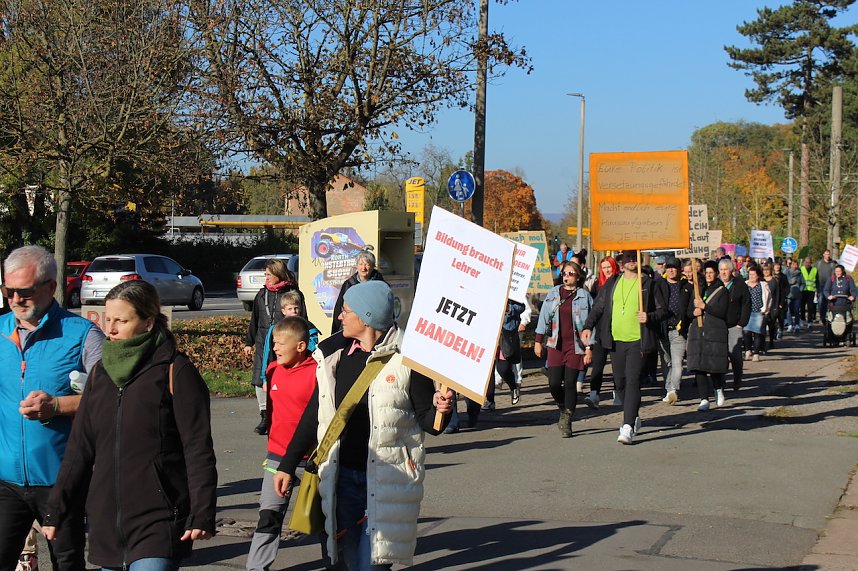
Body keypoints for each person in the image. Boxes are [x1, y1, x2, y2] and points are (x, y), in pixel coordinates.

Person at [273, 281, 454, 570]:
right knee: (342, 562)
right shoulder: (333, 357)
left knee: (372, 564)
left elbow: (429, 423)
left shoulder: (408, 358)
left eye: (345, 311)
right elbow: (315, 414)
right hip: (341, 479)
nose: (340, 317)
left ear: (366, 317)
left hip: (386, 482)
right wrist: (287, 464)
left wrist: (442, 406)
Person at [42, 280, 217, 571]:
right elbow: (79, 448)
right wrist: (56, 509)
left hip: (158, 519)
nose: (109, 329)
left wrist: (202, 512)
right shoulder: (100, 372)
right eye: (108, 319)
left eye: (121, 321)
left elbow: (197, 447)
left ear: (148, 322)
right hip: (106, 521)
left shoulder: (175, 369)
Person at [0, 245, 105, 571]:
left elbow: (111, 398)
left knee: (67, 562)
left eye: (25, 292)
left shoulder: (82, 335)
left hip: (61, 478)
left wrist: (58, 405)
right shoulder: (1, 331)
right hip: (6, 481)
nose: (16, 300)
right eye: (8, 291)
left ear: (51, 287)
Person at [246, 317, 318, 571]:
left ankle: (337, 563)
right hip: (277, 457)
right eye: (274, 343)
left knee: (326, 520)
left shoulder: (318, 373)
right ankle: (256, 567)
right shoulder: (272, 370)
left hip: (313, 461)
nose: (275, 348)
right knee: (268, 516)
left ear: (300, 346)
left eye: (280, 344)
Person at [580, 250, 665, 445]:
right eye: (628, 258)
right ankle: (633, 415)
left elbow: (663, 310)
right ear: (621, 262)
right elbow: (599, 307)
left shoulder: (648, 284)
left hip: (638, 341)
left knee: (633, 380)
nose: (632, 261)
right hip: (615, 341)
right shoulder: (612, 283)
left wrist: (649, 316)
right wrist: (588, 326)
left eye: (635, 258)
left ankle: (627, 426)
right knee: (621, 382)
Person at [245, 258, 303, 435]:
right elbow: (254, 319)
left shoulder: (293, 293)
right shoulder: (262, 294)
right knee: (260, 378)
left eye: (269, 274)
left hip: (284, 341)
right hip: (264, 341)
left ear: (278, 274)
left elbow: (302, 320)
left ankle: (281, 414)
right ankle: (264, 416)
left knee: (282, 377)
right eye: (265, 275)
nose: (267, 278)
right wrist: (249, 342)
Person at [534, 261, 593, 438]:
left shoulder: (584, 296)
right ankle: (563, 406)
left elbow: (591, 324)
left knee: (569, 384)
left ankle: (567, 418)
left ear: (578, 276)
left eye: (571, 274)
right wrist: (538, 340)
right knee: (553, 383)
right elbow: (543, 317)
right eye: (564, 273)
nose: (567, 277)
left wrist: (589, 348)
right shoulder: (553, 294)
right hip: (555, 344)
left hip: (576, 346)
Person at [686, 261, 730, 411]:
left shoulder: (722, 291)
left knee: (713, 365)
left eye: (712, 272)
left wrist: (705, 307)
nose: (709, 275)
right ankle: (704, 398)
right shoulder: (698, 289)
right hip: (698, 332)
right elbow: (688, 311)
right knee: (699, 366)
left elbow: (722, 312)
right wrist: (694, 312)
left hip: (714, 332)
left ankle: (718, 388)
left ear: (716, 274)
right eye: (707, 272)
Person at [260, 291, 320, 386]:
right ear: (283, 311)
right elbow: (267, 353)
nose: (293, 311)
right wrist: (264, 378)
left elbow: (314, 350)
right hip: (280, 371)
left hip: (302, 371)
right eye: (290, 309)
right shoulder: (275, 329)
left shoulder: (309, 328)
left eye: (296, 308)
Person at [655, 257, 693, 404]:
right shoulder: (659, 284)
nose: (671, 270)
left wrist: (688, 318)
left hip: (678, 331)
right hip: (663, 329)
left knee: (677, 362)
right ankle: (668, 388)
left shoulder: (686, 287)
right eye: (669, 267)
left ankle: (673, 390)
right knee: (667, 362)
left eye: (674, 267)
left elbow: (689, 308)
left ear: (679, 269)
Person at [585, 256, 619, 408]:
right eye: (604, 267)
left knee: (617, 366)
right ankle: (594, 394)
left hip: (616, 329)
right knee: (598, 364)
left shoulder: (619, 281)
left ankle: (618, 393)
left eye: (609, 266)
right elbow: (595, 307)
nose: (607, 270)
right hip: (600, 330)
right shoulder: (597, 285)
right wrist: (589, 325)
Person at [331, 250, 386, 336]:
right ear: (356, 266)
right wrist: (334, 333)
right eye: (360, 264)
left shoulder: (380, 285)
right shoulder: (348, 284)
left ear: (372, 266)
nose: (363, 268)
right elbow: (339, 308)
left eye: (367, 264)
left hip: (373, 330)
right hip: (352, 328)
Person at [719, 258, 751, 391]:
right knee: (720, 355)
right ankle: (720, 382)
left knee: (735, 356)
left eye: (726, 269)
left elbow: (746, 304)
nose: (723, 272)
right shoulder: (716, 284)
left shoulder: (739, 284)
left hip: (734, 326)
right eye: (721, 270)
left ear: (732, 270)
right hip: (719, 326)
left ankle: (737, 378)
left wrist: (741, 323)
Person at [742, 265, 770, 362]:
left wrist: (766, 309)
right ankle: (748, 349)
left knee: (758, 333)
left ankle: (756, 353)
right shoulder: (744, 284)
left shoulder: (763, 285)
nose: (751, 276)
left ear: (758, 276)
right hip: (747, 312)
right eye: (750, 274)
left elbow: (769, 297)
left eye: (753, 275)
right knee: (746, 332)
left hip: (758, 312)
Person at [762, 263, 781, 348]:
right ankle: (762, 343)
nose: (766, 271)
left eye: (767, 270)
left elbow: (777, 294)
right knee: (762, 325)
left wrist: (777, 306)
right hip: (763, 305)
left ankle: (771, 341)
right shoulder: (761, 280)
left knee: (771, 325)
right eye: (764, 270)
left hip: (772, 306)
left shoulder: (775, 281)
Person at [783, 259, 804, 333]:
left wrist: (800, 289)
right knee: (787, 310)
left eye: (796, 264)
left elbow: (803, 283)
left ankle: (797, 324)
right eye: (793, 264)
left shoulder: (800, 273)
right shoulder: (786, 273)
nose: (794, 266)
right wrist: (790, 284)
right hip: (788, 294)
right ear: (790, 265)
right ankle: (790, 324)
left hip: (797, 294)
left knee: (796, 310)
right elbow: (784, 282)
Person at [816, 250, 837, 321]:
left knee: (829, 302)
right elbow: (815, 275)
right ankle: (822, 316)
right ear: (823, 255)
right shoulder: (819, 263)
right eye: (826, 254)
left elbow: (834, 276)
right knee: (821, 301)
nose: (827, 256)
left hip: (829, 286)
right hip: (820, 286)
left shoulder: (832, 264)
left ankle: (829, 317)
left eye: (828, 254)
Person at [799, 256, 818, 327]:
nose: (807, 264)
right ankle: (802, 319)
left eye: (809, 262)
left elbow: (817, 280)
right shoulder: (801, 269)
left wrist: (818, 290)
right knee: (802, 306)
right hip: (802, 290)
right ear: (804, 262)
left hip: (811, 290)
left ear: (811, 263)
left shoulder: (814, 270)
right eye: (806, 262)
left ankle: (810, 321)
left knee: (810, 307)